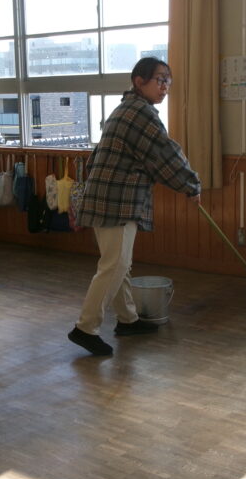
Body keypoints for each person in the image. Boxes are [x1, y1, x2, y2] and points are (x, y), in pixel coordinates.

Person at [69, 57, 201, 356]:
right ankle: (85, 328)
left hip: (109, 198)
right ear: (138, 81)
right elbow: (165, 154)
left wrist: (188, 185)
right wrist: (191, 185)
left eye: (168, 80)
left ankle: (127, 319)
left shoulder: (128, 108)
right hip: (114, 201)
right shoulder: (139, 113)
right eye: (159, 79)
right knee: (114, 266)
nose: (165, 86)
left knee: (120, 264)